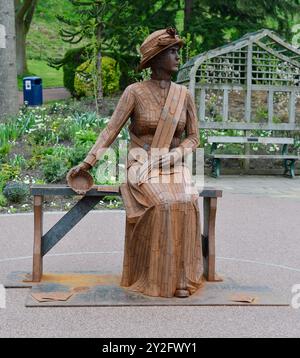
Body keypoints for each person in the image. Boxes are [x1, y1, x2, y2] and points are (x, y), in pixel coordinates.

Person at [67, 28, 203, 298]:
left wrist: (176, 155)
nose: (178, 57)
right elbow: (110, 131)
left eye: (177, 51)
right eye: (172, 52)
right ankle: (154, 276)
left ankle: (181, 277)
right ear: (156, 58)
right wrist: (88, 163)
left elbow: (194, 138)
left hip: (173, 165)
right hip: (141, 164)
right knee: (163, 203)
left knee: (187, 201)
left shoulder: (183, 95)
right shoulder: (135, 92)